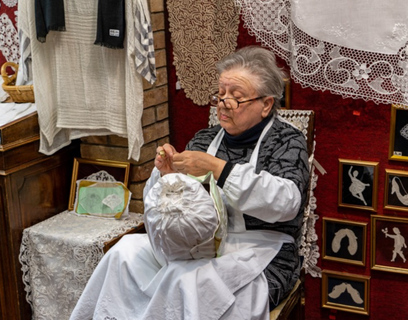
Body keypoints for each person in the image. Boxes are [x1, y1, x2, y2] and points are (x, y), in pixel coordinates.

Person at [69, 46, 310, 320]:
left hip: (263, 250)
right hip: (198, 243)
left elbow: (286, 203)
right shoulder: (204, 140)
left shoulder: (287, 141)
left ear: (266, 104)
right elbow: (170, 209)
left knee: (186, 280)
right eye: (220, 94)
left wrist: (217, 168)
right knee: (123, 253)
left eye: (236, 97)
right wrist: (167, 177)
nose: (223, 103)